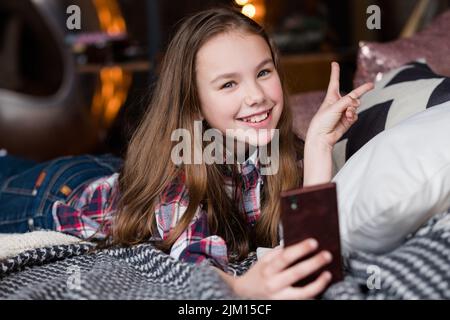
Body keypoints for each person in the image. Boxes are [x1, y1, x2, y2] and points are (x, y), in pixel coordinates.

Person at [0, 7, 373, 299]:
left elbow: (303, 244)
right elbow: (194, 268)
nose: (256, 96)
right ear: (194, 104)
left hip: (119, 174)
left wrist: (321, 144)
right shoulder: (181, 173)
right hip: (54, 192)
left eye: (263, 73)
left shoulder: (276, 151)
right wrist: (241, 289)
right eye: (228, 83)